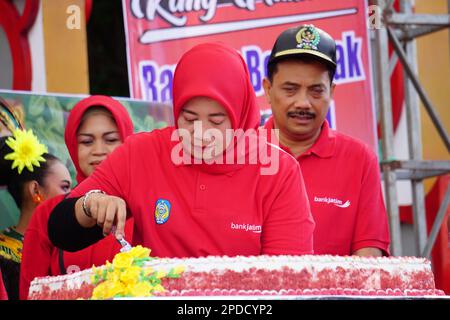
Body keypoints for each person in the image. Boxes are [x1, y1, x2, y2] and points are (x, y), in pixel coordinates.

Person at [47, 42, 315, 259]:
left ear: (241, 113)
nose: (201, 133)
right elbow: (60, 232)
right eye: (189, 118)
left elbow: (288, 278)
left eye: (217, 120)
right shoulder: (143, 153)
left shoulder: (277, 171)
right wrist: (90, 205)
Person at [262, 24, 390, 256]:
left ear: (332, 92)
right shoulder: (242, 153)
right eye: (290, 89)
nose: (303, 102)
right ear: (268, 90)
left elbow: (369, 259)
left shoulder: (359, 160)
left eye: (316, 91)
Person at [20, 95, 135, 299]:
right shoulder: (49, 214)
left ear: (127, 142)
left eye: (110, 140)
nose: (98, 151)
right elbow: (31, 291)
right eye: (87, 141)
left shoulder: (146, 206)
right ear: (73, 145)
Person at [0, 131, 72, 300]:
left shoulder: (71, 245)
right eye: (65, 187)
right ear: (35, 190)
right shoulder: (4, 254)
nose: (71, 196)